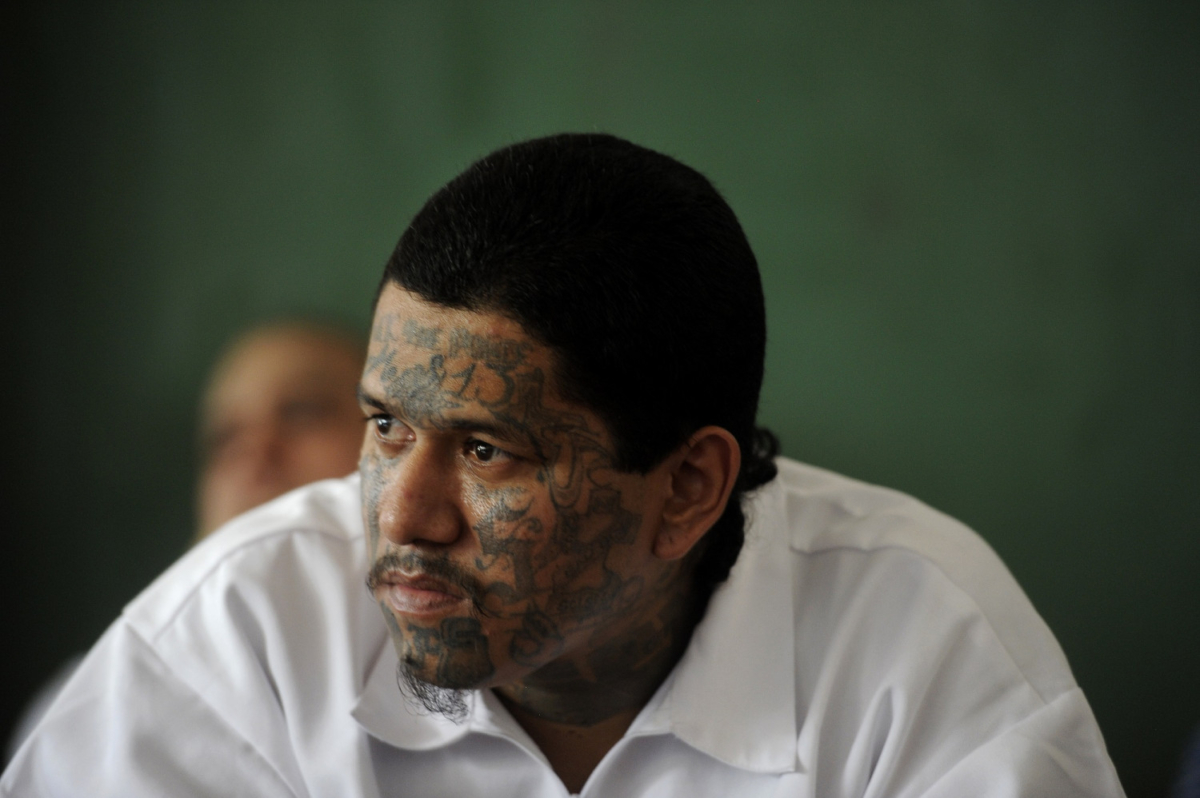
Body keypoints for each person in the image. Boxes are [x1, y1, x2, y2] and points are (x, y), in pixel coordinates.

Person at [1, 134, 1125, 796]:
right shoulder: (245, 634)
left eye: (488, 452)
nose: (403, 514)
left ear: (688, 488)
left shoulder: (919, 647)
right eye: (385, 426)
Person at [3, 320, 366, 762]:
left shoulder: (456, 684)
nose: (254, 452)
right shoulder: (84, 713)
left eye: (303, 410)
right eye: (223, 437)